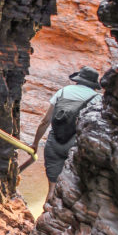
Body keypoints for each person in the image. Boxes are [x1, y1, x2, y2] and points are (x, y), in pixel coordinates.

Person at [32, 66, 102, 206]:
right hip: (75, 146)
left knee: (51, 190)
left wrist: (35, 143)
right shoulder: (97, 98)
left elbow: (45, 121)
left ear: (78, 79)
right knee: (68, 189)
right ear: (94, 84)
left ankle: (43, 221)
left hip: (53, 142)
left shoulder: (63, 91)